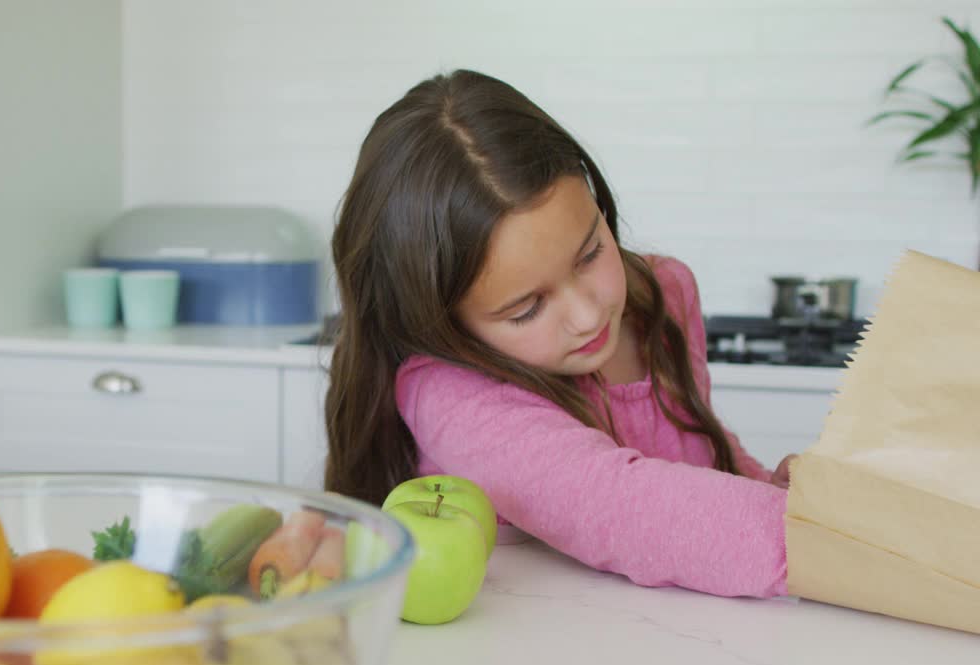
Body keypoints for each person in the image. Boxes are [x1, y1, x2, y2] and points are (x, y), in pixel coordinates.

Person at [323, 69, 793, 599]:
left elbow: (698, 449)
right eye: (527, 309)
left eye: (591, 253)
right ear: (445, 324)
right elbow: (621, 507)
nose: (588, 316)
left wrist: (767, 484)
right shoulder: (446, 390)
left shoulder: (663, 291)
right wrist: (834, 537)